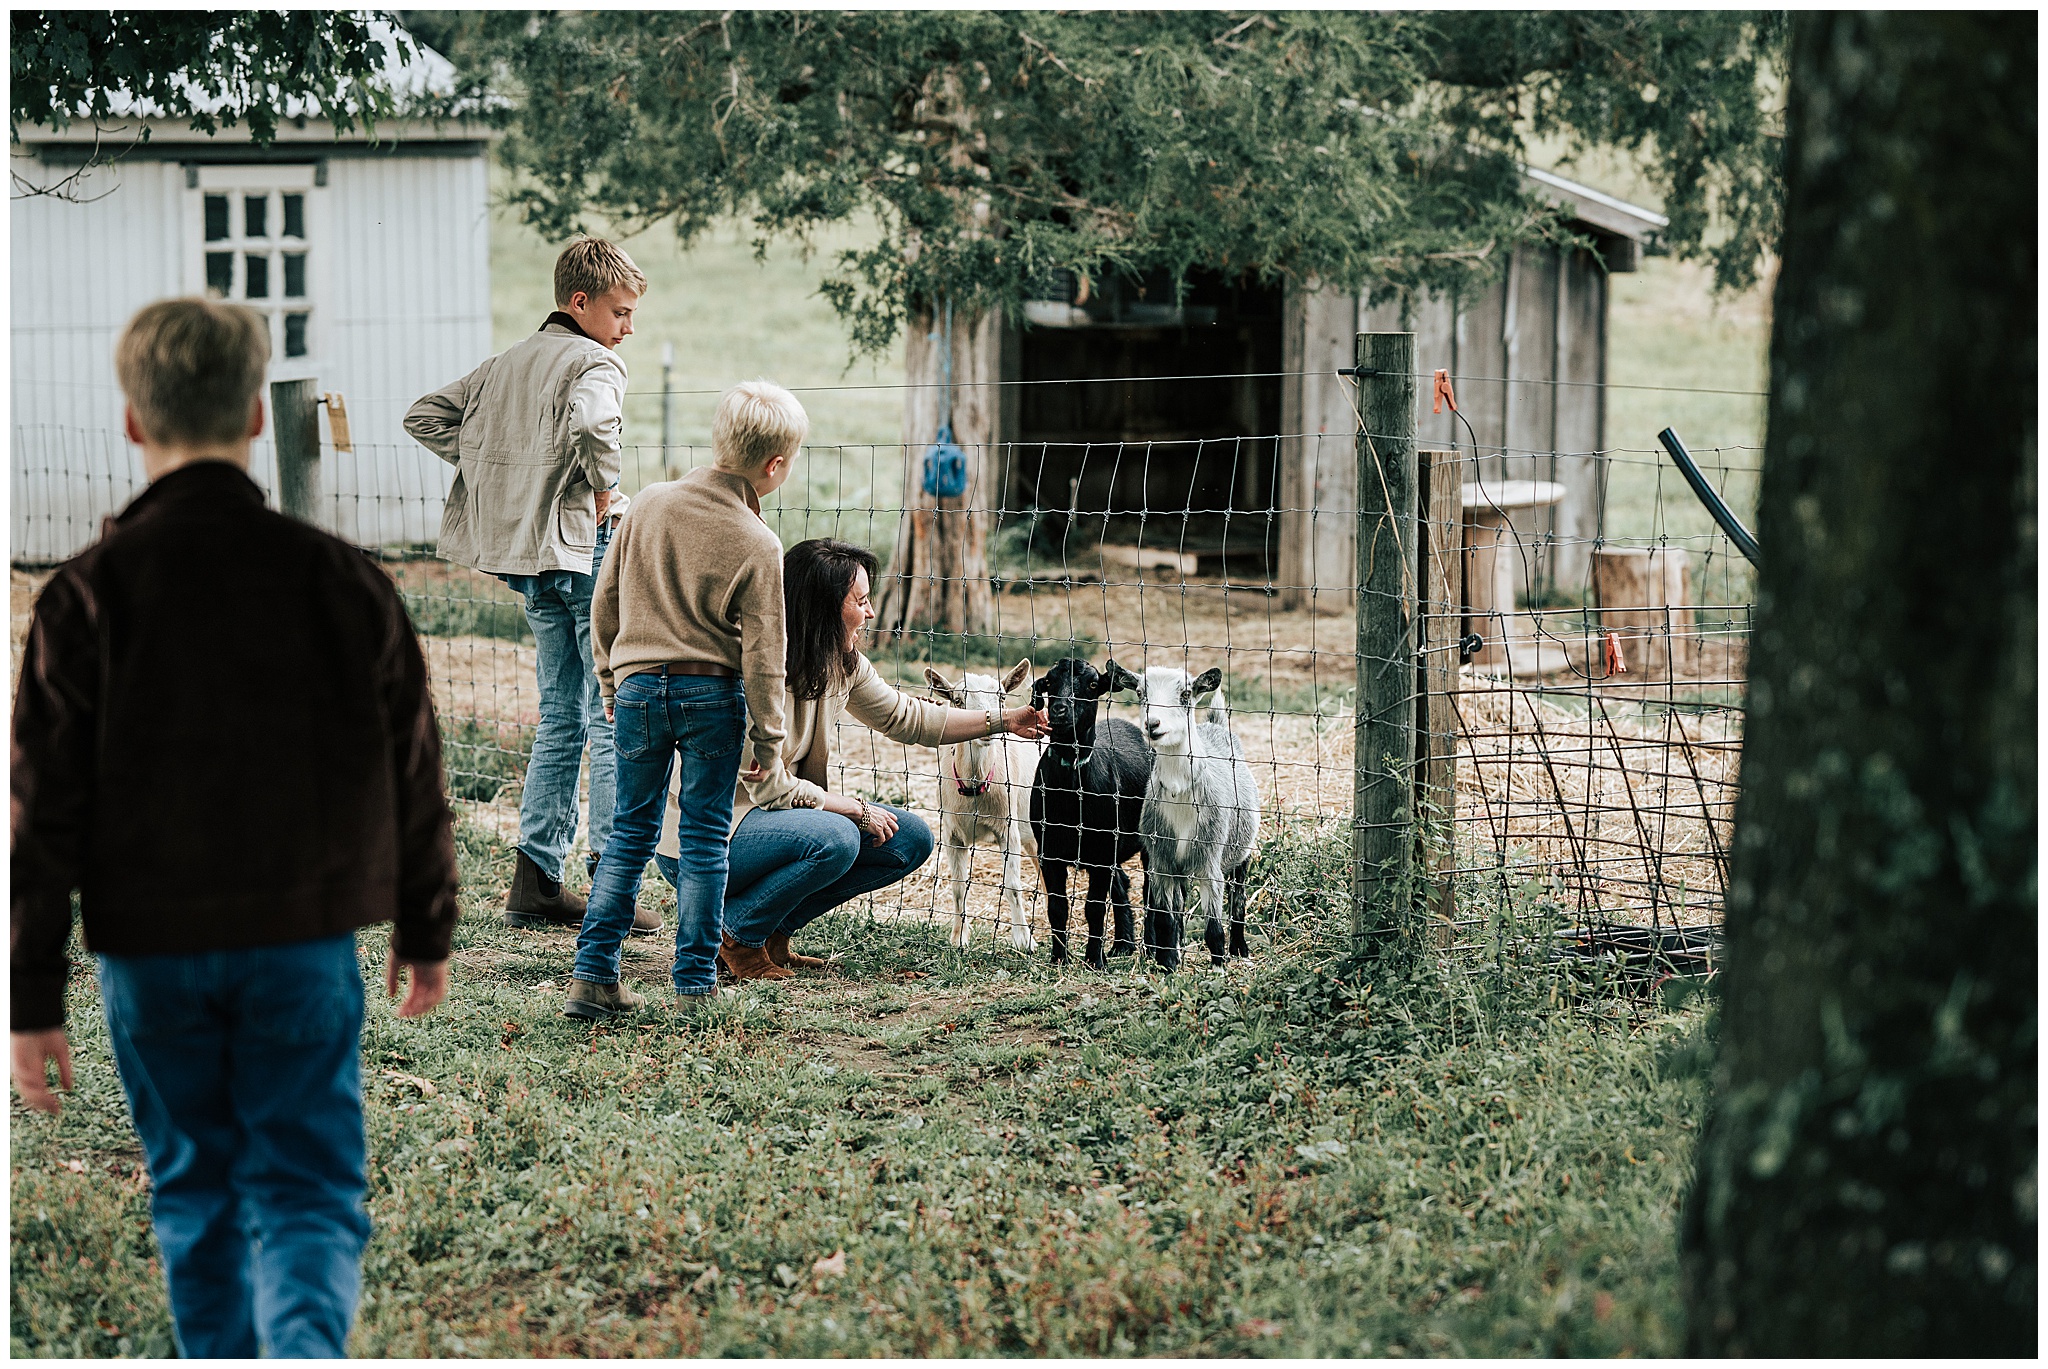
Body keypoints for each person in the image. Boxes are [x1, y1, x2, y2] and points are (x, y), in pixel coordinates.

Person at [10, 297, 460, 1357]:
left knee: (195, 1191)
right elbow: (415, 770)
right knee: (305, 1188)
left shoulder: (83, 598)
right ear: (260, 415)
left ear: (132, 422)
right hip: (301, 947)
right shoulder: (345, 582)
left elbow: (39, 820)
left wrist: (30, 998)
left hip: (149, 957)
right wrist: (424, 922)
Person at [652, 538, 1051, 981]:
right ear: (822, 609)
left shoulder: (842, 663)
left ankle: (772, 933)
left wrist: (1002, 720)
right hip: (709, 838)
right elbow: (771, 786)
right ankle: (736, 939)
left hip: (774, 825)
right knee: (837, 836)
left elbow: (908, 717)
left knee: (909, 839)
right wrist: (853, 808)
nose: (871, 613)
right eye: (861, 601)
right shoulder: (755, 669)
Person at [404, 236, 653, 934]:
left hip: (528, 559)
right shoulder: (597, 361)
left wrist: (504, 466)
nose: (629, 328)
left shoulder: (506, 362)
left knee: (560, 712)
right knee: (609, 713)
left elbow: (424, 415)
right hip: (584, 547)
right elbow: (595, 423)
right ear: (581, 303)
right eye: (621, 312)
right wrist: (601, 486)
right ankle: (612, 881)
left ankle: (535, 880)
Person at [567, 380, 806, 1022]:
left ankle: (594, 974)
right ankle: (695, 981)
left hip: (640, 687)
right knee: (704, 837)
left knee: (629, 833)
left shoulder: (648, 503)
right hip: (712, 694)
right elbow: (764, 655)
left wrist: (611, 681)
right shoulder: (759, 543)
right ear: (774, 466)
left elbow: (605, 600)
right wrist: (769, 743)